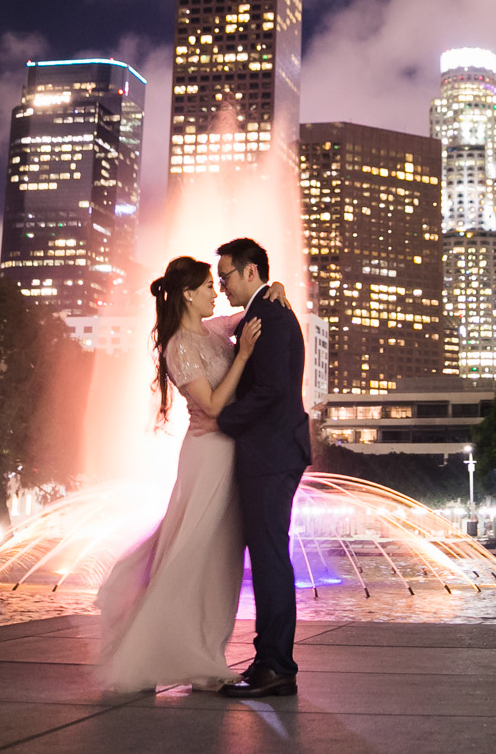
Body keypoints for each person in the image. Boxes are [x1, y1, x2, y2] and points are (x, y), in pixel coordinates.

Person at [94, 256, 263, 691]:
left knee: (220, 558)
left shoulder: (210, 330)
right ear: (188, 294)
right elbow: (210, 406)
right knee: (193, 551)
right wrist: (242, 355)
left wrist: (274, 287)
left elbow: (248, 309)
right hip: (206, 455)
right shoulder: (179, 346)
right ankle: (160, 651)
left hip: (229, 454)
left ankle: (205, 656)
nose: (216, 292)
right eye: (209, 286)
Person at [212, 237, 312, 699]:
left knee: (270, 558)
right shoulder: (265, 310)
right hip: (273, 453)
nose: (221, 283)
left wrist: (223, 419)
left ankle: (276, 664)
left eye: (226, 275)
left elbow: (270, 389)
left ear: (250, 272)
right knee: (269, 556)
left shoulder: (268, 316)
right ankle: (270, 660)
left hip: (270, 455)